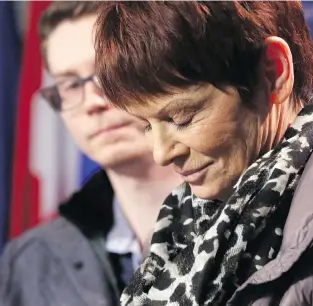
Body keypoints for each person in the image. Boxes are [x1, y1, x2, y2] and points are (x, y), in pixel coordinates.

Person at [93, 1, 313, 305]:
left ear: (274, 73)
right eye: (147, 125)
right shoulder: (180, 231)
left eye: (182, 118)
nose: (161, 154)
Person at [0, 2, 182, 306]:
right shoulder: (29, 263)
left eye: (110, 72)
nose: (93, 102)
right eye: (70, 84)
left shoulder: (251, 225)